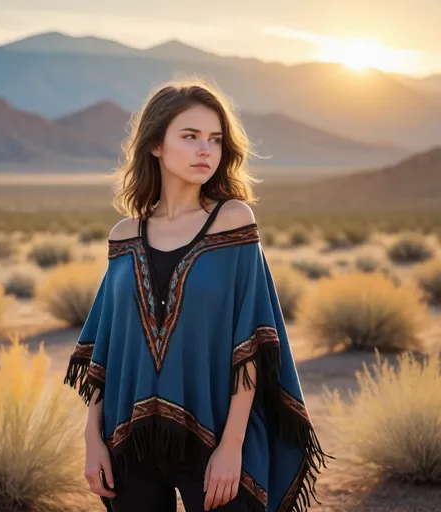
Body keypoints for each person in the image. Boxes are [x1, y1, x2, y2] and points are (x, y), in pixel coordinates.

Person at [63, 77, 332, 512]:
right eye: (189, 137)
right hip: (127, 442)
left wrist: (232, 448)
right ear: (156, 145)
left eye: (215, 140)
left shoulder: (232, 221)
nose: (205, 150)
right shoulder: (125, 235)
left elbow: (251, 343)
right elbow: (106, 352)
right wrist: (92, 439)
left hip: (214, 439)